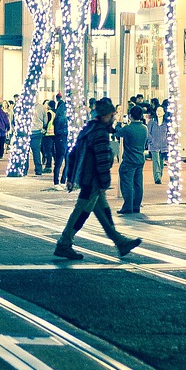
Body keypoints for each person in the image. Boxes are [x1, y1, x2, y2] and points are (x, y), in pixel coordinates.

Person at [53, 98, 142, 261]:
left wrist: (71, 176)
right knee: (81, 212)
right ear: (105, 116)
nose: (114, 117)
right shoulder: (100, 133)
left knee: (103, 212)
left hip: (86, 178)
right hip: (92, 180)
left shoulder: (88, 129)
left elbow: (73, 154)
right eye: (112, 115)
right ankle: (64, 243)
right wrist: (105, 181)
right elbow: (101, 160)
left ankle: (120, 242)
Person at [116, 106, 149, 214]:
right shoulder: (144, 128)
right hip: (140, 159)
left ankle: (127, 206)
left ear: (130, 116)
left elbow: (117, 133)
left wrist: (118, 123)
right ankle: (136, 206)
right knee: (138, 184)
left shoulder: (128, 128)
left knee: (127, 183)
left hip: (129, 160)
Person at [147, 104, 170, 184]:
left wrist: (167, 142)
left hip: (164, 146)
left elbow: (169, 134)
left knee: (161, 162)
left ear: (164, 112)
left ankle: (160, 175)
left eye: (160, 111)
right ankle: (157, 178)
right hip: (154, 146)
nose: (158, 112)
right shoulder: (152, 122)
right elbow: (148, 132)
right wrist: (151, 141)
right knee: (156, 161)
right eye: (157, 110)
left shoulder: (166, 123)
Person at [51, 96, 69, 187]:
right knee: (63, 161)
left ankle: (58, 181)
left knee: (60, 162)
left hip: (61, 141)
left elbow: (56, 131)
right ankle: (60, 181)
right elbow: (58, 131)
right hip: (63, 141)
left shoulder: (58, 118)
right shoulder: (62, 119)